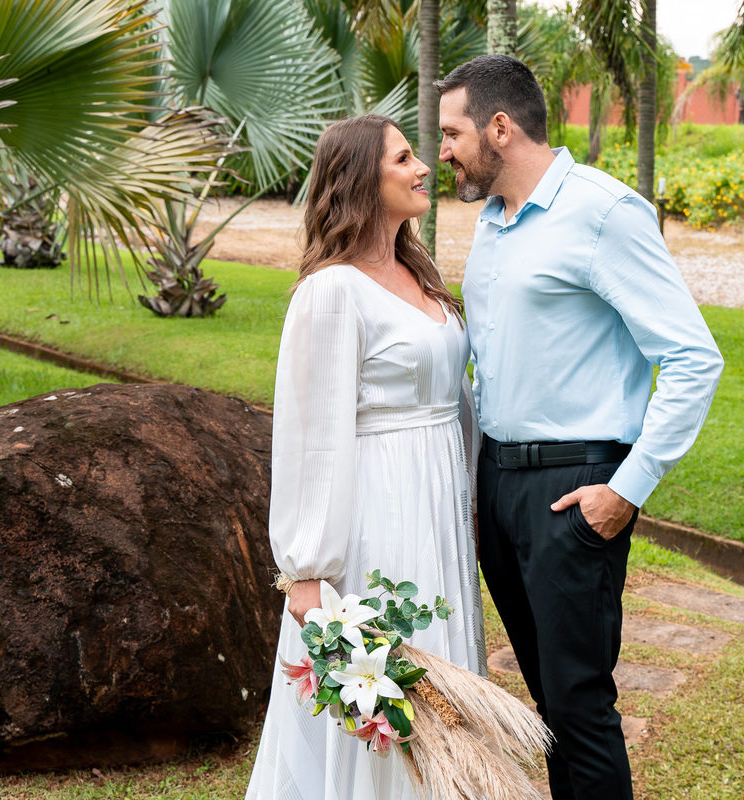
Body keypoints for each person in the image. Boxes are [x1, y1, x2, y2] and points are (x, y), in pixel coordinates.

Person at [436, 55, 724, 800]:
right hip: (499, 484)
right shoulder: (494, 223)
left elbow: (692, 358)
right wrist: (477, 483)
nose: (443, 150)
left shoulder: (603, 211)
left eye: (452, 132)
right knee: (546, 704)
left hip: (575, 488)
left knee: (579, 705)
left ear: (500, 127)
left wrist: (626, 489)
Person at [245, 114, 487, 800]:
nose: (423, 167)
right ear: (360, 179)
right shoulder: (332, 291)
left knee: (440, 670)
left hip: (439, 507)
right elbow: (311, 433)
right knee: (384, 686)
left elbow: (456, 401)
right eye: (404, 157)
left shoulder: (421, 270)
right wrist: (308, 571)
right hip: (378, 514)